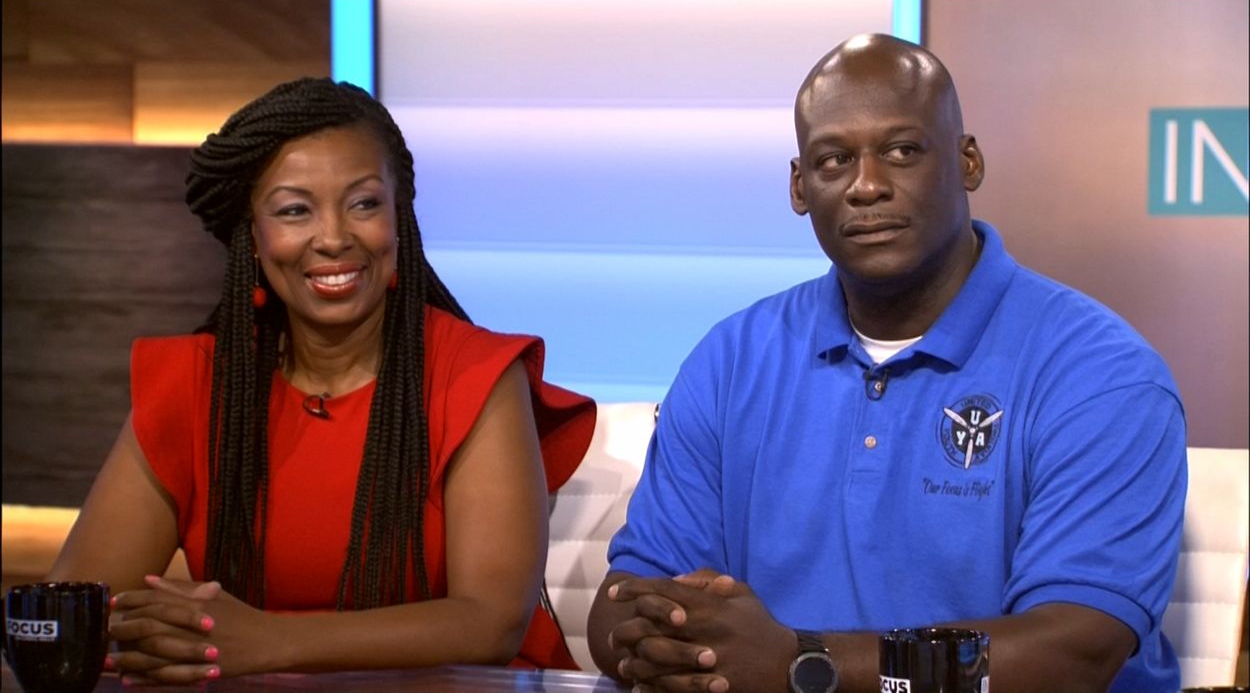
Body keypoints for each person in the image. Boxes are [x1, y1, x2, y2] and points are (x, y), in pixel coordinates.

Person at [587, 34, 1186, 693]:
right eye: (834, 159)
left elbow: (1069, 655)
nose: (867, 185)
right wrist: (671, 640)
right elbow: (623, 604)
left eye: (902, 151)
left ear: (967, 162)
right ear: (799, 186)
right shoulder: (731, 360)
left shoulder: (1101, 375)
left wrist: (803, 664)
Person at [48, 77, 596, 685]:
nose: (334, 237)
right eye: (294, 210)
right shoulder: (197, 384)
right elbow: (78, 608)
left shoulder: (474, 375)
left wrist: (267, 641)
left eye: (364, 204)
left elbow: (490, 623)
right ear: (252, 236)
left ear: (399, 218)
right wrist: (173, 635)